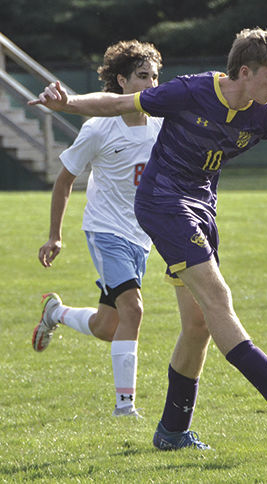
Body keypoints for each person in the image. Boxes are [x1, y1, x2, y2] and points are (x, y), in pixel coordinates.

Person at [30, 27, 267, 450]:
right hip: (163, 203)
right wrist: (67, 102)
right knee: (218, 300)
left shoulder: (265, 112)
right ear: (245, 71)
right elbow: (119, 102)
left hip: (202, 210)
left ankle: (172, 432)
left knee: (198, 324)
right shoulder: (192, 91)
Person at [32, 40, 163, 418]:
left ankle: (55, 313)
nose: (151, 85)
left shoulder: (161, 122)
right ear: (121, 81)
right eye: (142, 76)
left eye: (155, 77)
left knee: (108, 327)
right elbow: (64, 181)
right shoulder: (98, 128)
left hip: (142, 237)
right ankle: (126, 409)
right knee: (133, 311)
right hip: (106, 231)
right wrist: (56, 234)